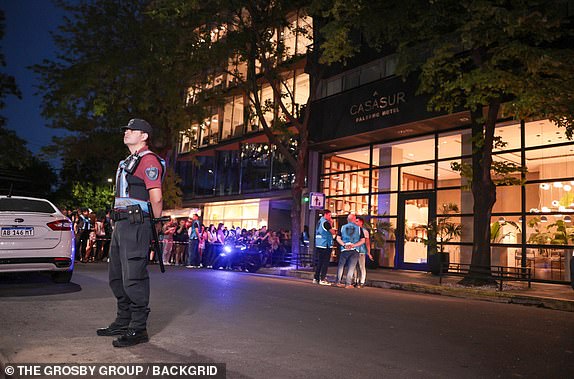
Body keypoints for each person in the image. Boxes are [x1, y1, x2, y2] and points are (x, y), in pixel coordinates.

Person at [96, 118, 165, 348]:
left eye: (132, 130)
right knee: (116, 277)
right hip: (121, 224)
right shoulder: (128, 161)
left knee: (133, 276)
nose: (126, 132)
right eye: (125, 128)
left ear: (144, 136)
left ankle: (138, 328)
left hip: (137, 223)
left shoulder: (149, 161)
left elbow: (156, 197)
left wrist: (154, 224)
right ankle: (123, 321)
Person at [334, 213, 365, 288]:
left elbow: (338, 238)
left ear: (347, 220)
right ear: (354, 220)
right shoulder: (359, 228)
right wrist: (354, 245)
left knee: (341, 266)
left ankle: (338, 282)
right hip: (354, 249)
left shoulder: (342, 227)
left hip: (344, 249)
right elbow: (363, 240)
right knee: (351, 267)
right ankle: (348, 284)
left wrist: (344, 245)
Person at [313, 210, 336, 285]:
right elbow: (332, 232)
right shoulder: (326, 223)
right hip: (325, 244)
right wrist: (331, 223)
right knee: (325, 262)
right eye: (329, 215)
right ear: (325, 214)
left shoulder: (319, 222)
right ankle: (322, 279)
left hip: (319, 244)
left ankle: (316, 278)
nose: (330, 217)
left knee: (320, 262)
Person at [354, 217, 373, 288]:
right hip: (354, 250)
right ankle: (355, 280)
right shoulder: (354, 230)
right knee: (355, 267)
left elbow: (367, 242)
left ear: (361, 222)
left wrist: (368, 252)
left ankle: (362, 281)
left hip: (361, 251)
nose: (355, 223)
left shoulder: (364, 231)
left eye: (357, 221)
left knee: (361, 266)